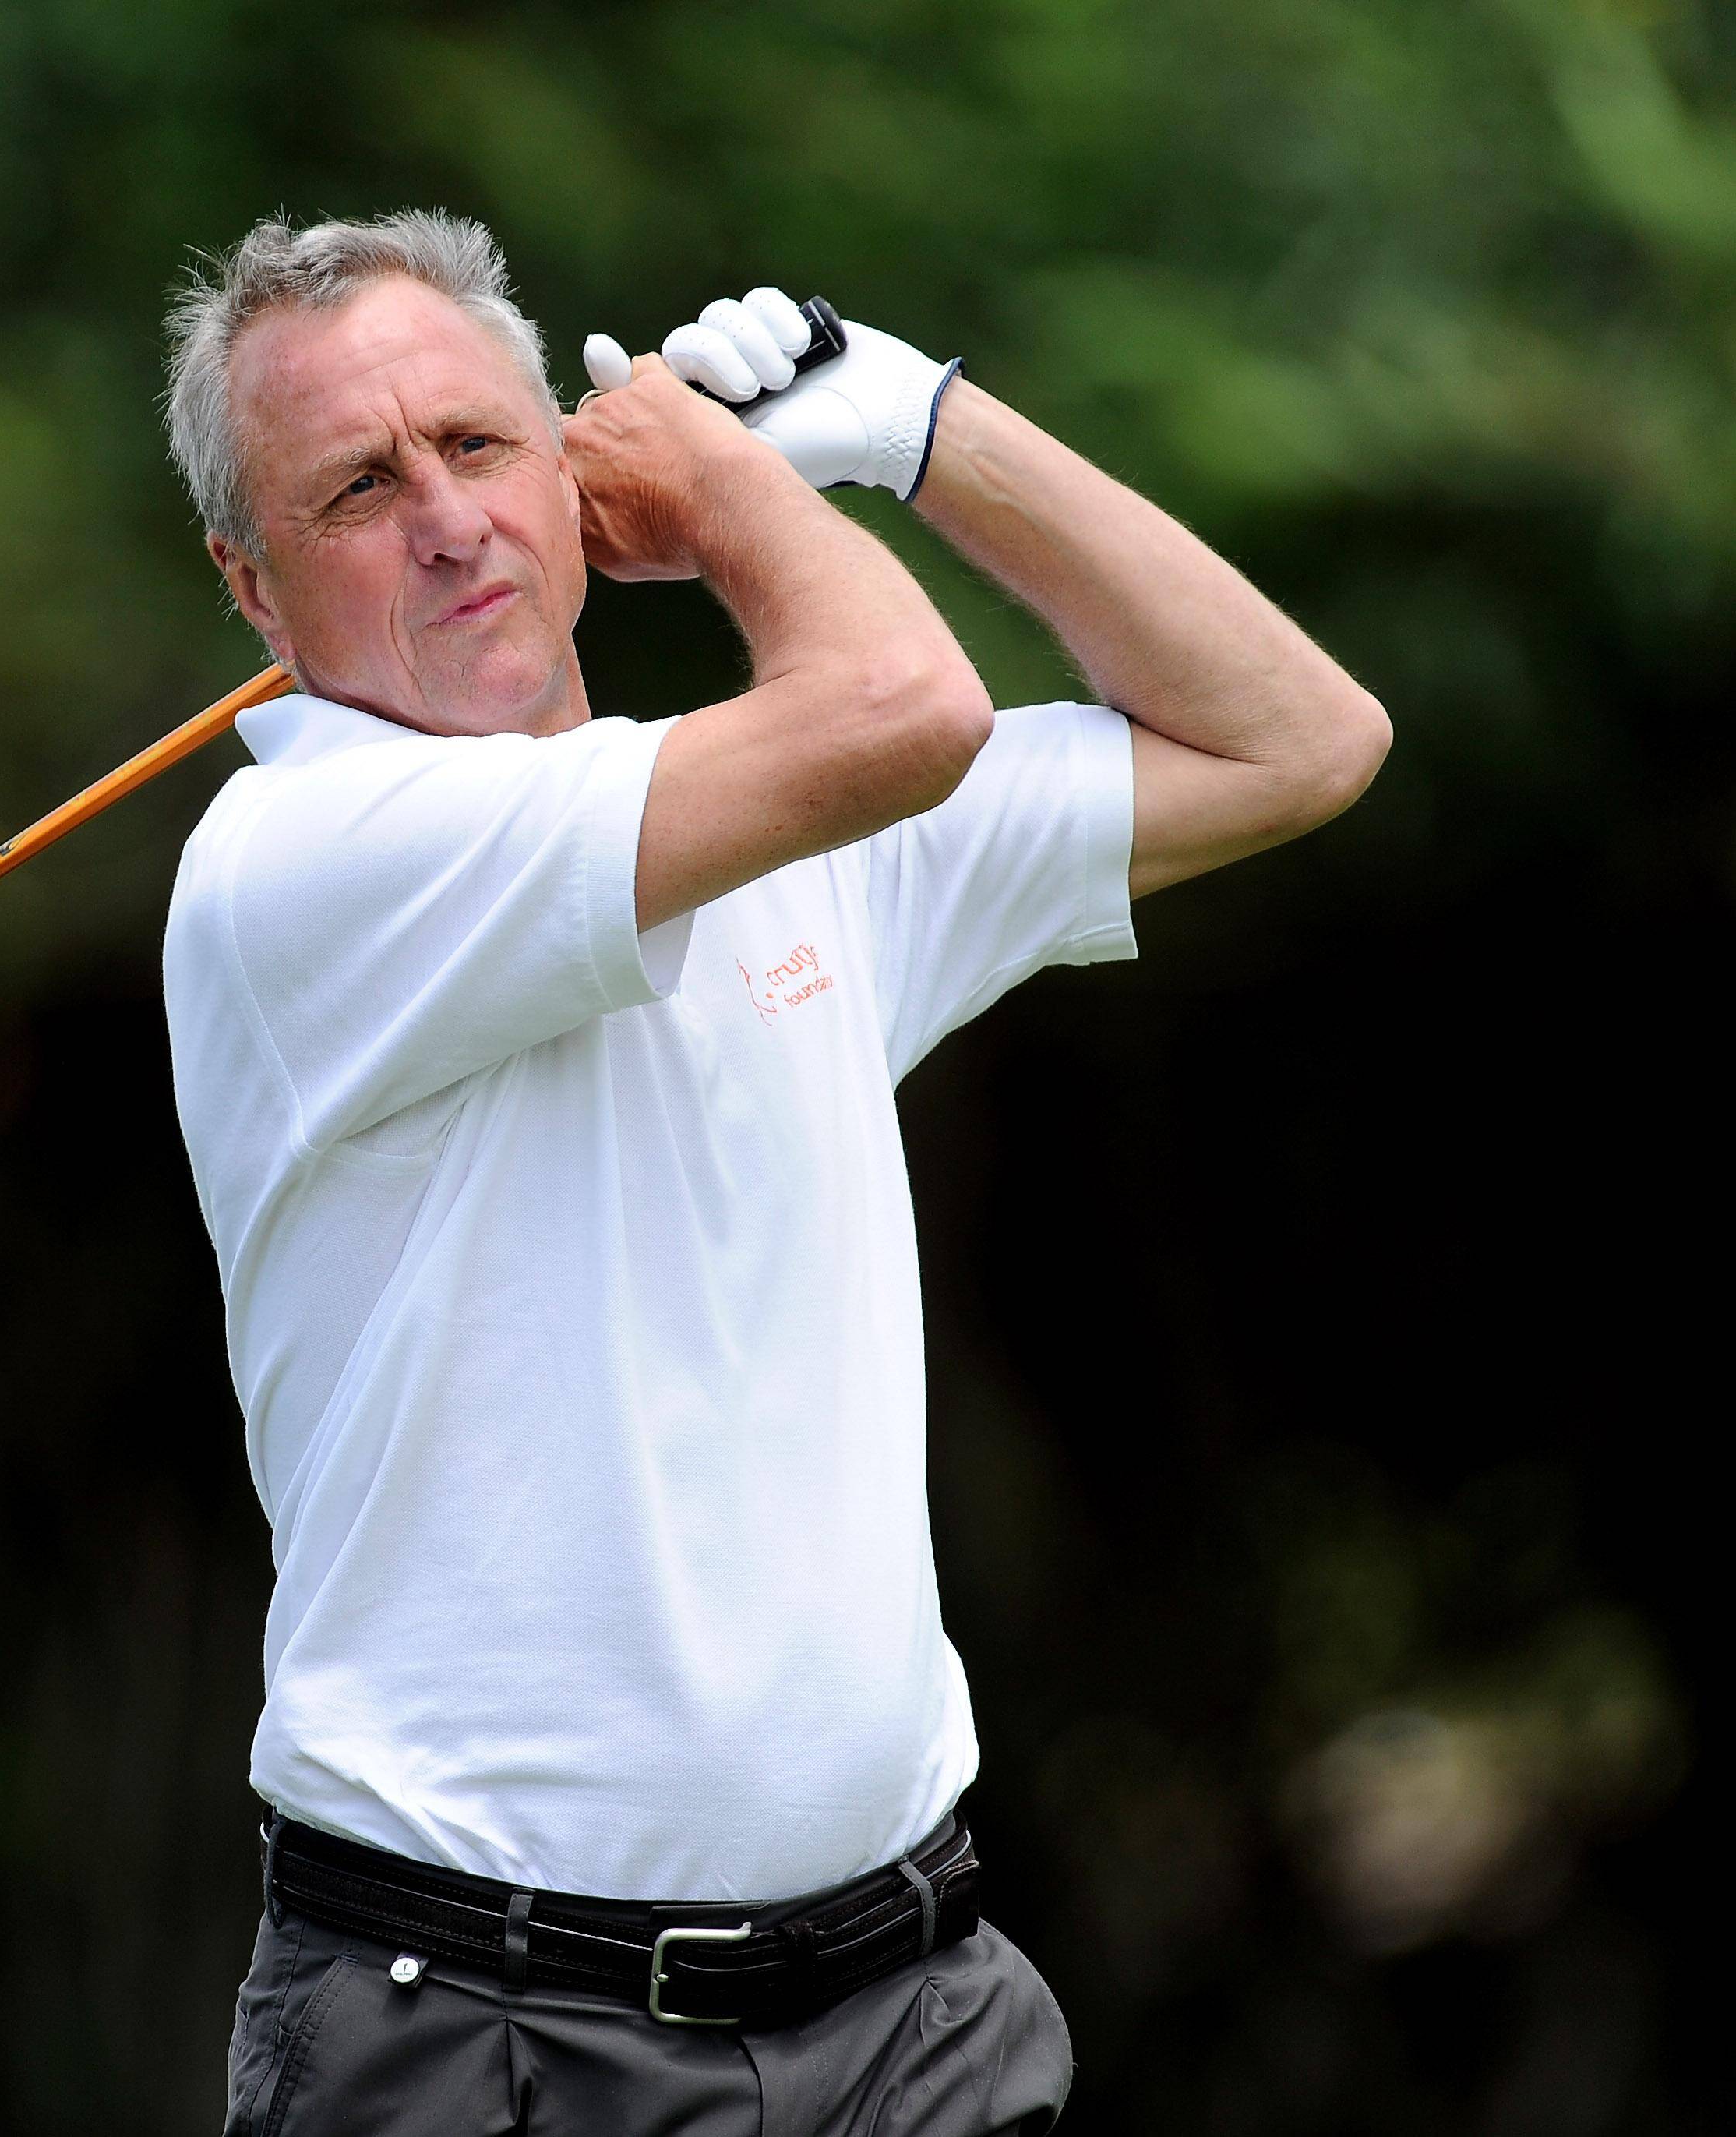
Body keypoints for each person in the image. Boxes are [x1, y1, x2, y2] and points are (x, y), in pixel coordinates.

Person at [157, 210, 1387, 2136]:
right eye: (355, 489)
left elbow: (1297, 736)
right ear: (249, 581)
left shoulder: (771, 824)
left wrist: (921, 426)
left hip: (911, 2010)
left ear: (569, 470)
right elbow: (900, 715)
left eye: (480, 447)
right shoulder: (296, 866)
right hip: (483, 2031)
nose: (448, 522)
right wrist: (742, 491)